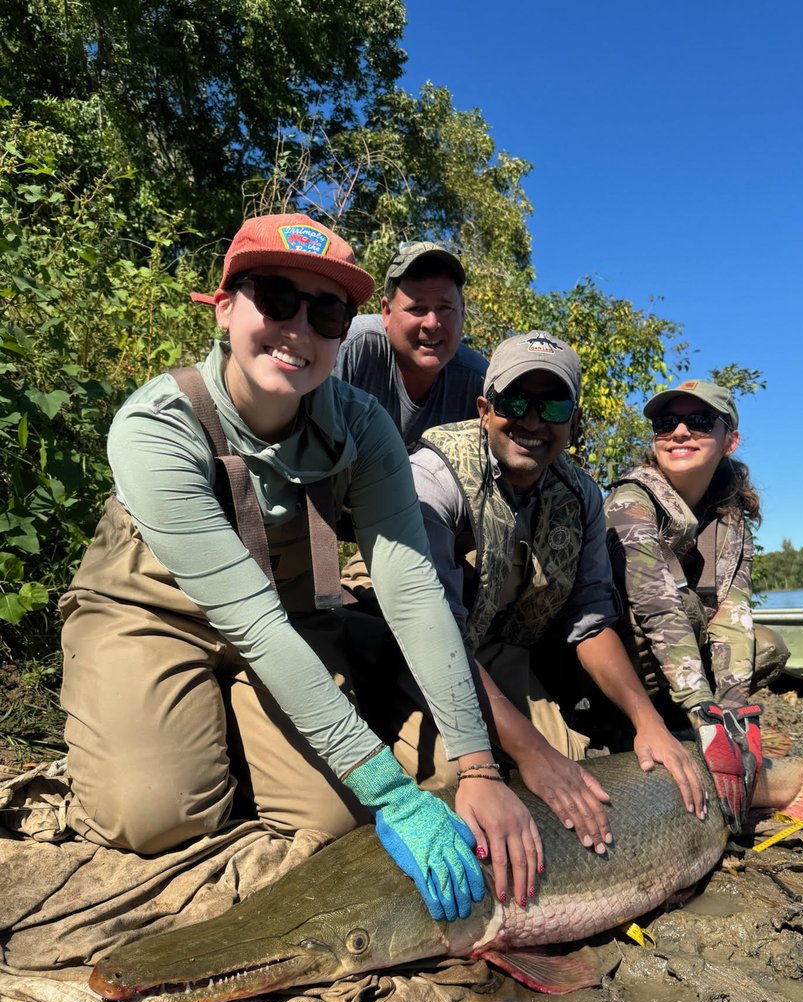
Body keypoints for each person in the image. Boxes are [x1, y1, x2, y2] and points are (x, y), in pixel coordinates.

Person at [58, 213, 545, 920]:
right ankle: (157, 728)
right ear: (225, 306)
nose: (298, 329)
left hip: (290, 612)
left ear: (346, 330)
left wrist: (477, 764)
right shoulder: (157, 426)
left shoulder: (362, 425)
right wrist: (392, 789)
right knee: (152, 816)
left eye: (326, 312)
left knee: (330, 818)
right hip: (150, 608)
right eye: (276, 299)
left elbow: (410, 588)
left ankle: (214, 729)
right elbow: (248, 622)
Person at [345, 331, 707, 853]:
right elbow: (432, 631)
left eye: (553, 404)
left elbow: (591, 619)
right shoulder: (433, 474)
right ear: (485, 408)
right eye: (516, 401)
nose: (532, 421)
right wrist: (531, 753)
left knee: (580, 780)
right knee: (459, 786)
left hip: (498, 646)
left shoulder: (580, 494)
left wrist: (647, 720)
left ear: (573, 421)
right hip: (409, 643)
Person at [604, 379, 788, 831]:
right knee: (681, 608)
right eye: (667, 423)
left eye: (700, 421)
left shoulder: (730, 516)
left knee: (766, 645)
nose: (680, 432)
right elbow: (657, 609)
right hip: (614, 660)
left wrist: (734, 711)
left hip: (675, 658)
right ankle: (638, 729)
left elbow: (733, 612)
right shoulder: (631, 501)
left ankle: (693, 728)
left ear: (731, 439)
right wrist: (706, 715)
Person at [333, 240, 487, 446]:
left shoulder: (478, 380)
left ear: (462, 312)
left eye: (445, 308)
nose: (432, 324)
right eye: (417, 309)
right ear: (387, 313)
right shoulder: (351, 347)